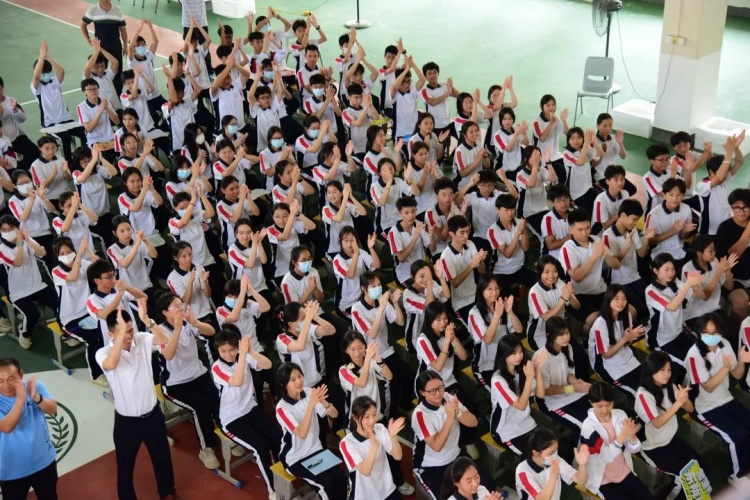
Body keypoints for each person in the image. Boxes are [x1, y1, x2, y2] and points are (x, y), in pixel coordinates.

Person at [96, 307, 179, 500]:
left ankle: (167, 492)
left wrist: (147, 320)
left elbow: (164, 339)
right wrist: (122, 336)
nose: (129, 336)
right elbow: (110, 364)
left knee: (162, 458)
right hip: (127, 423)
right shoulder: (103, 353)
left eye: (130, 330)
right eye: (122, 332)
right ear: (110, 334)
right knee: (125, 465)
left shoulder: (141, 339)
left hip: (153, 416)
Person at [211, 327, 280, 497]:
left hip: (250, 409)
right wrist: (242, 355)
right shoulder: (217, 367)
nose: (228, 354)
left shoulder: (242, 356)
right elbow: (237, 380)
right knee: (260, 446)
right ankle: (273, 490)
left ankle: (282, 479)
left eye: (231, 350)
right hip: (231, 419)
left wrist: (249, 351)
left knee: (277, 437)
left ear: (237, 347)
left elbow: (268, 365)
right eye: (223, 351)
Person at [155, 293, 220, 470]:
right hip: (175, 382)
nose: (181, 309)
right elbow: (169, 354)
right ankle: (206, 449)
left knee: (216, 398)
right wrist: (177, 329)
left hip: (198, 373)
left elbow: (211, 332)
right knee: (200, 406)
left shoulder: (188, 322)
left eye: (181, 305)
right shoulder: (159, 331)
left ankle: (227, 435)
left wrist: (195, 322)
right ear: (165, 312)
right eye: (176, 306)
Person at [685, 312, 750, 480]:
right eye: (707, 332)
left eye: (715, 332)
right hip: (705, 407)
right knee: (737, 436)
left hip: (726, 398)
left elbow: (737, 374)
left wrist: (742, 360)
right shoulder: (694, 355)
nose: (711, 336)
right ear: (700, 333)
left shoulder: (725, 344)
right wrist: (725, 368)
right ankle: (736, 475)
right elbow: (708, 387)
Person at [636, 351, 709, 499]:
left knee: (700, 465)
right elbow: (657, 423)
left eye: (669, 370)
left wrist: (684, 399)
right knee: (685, 478)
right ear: (651, 370)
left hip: (670, 439)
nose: (667, 374)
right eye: (662, 370)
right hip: (653, 446)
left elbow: (690, 409)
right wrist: (678, 403)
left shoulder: (670, 386)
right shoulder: (643, 394)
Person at [412, 370, 494, 499]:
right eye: (432, 391)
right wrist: (450, 418)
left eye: (440, 387)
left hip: (456, 456)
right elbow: (437, 446)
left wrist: (458, 413)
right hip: (432, 465)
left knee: (488, 484)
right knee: (446, 497)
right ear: (422, 392)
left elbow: (473, 422)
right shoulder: (420, 414)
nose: (438, 393)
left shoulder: (448, 397)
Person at [275, 363, 347, 500]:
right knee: (327, 485)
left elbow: (335, 414)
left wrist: (324, 403)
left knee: (341, 478)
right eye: (293, 379)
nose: (299, 381)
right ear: (284, 385)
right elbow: (301, 433)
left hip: (315, 449)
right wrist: (311, 404)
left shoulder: (309, 392)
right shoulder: (282, 408)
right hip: (295, 458)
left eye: (300, 376)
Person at [351, 272, 414, 414]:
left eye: (379, 285)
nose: (378, 288)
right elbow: (372, 333)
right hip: (371, 356)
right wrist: (381, 308)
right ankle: (390, 415)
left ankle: (404, 406)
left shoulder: (381, 301)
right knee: (393, 381)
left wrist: (395, 302)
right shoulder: (357, 309)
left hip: (386, 350)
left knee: (409, 373)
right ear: (363, 289)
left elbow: (400, 322)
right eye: (373, 286)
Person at [579, 382, 654, 499]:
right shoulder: (588, 427)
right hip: (603, 478)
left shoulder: (620, 415)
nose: (605, 410)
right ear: (591, 402)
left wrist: (632, 438)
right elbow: (605, 457)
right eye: (599, 406)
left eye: (608, 405)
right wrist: (622, 436)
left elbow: (633, 449)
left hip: (623, 469)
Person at [0, 358, 59, 500]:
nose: (6, 385)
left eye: (11, 379)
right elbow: (6, 427)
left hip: (44, 462)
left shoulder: (35, 386)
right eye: (0, 381)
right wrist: (21, 400)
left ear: (20, 375)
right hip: (12, 471)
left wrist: (36, 397)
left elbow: (52, 408)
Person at [0, 215, 59, 350]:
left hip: (37, 285)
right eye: (3, 230)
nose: (7, 232)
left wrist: (27, 240)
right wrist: (20, 243)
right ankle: (25, 334)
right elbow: (18, 262)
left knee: (59, 305)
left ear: (17, 228)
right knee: (32, 315)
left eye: (11, 228)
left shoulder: (27, 240)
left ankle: (65, 331)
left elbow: (43, 253)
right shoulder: (2, 250)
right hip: (18, 292)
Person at [52, 236, 104, 385]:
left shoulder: (83, 264)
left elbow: (102, 267)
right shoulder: (56, 271)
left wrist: (89, 252)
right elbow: (73, 277)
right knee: (94, 339)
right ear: (57, 256)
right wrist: (80, 255)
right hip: (69, 318)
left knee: (107, 330)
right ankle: (95, 375)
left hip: (88, 311)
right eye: (62, 253)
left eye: (69, 251)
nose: (66, 255)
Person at [645, 252, 704, 381]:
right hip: (661, 340)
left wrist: (695, 285)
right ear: (655, 271)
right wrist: (688, 284)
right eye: (666, 269)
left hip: (678, 332)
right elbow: (672, 306)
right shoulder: (650, 291)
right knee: (688, 364)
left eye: (672, 269)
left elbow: (701, 296)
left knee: (699, 355)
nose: (671, 273)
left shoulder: (675, 282)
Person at [533, 316, 592, 442]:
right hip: (551, 401)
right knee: (584, 426)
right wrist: (573, 388)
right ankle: (577, 453)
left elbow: (569, 373)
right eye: (561, 334)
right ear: (549, 335)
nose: (566, 337)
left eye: (567, 333)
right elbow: (546, 391)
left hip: (570, 392)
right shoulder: (541, 357)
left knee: (595, 417)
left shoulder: (568, 347)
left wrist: (576, 382)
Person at [561, 208, 615, 337]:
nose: (584, 233)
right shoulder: (567, 249)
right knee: (599, 322)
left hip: (600, 289)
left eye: (587, 228)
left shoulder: (596, 240)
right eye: (580, 230)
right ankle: (581, 333)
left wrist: (607, 256)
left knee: (627, 313)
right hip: (579, 295)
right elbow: (577, 277)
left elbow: (615, 264)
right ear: (570, 230)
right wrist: (595, 256)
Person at [340, 396, 407, 500]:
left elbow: (397, 456)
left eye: (374, 414)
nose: (372, 421)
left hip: (387, 488)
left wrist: (393, 436)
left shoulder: (380, 428)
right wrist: (374, 445)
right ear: (355, 418)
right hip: (364, 495)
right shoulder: (347, 443)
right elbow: (365, 471)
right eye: (366, 417)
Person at [490, 336, 546, 455]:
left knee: (548, 449)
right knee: (535, 456)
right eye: (514, 353)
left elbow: (540, 395)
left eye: (520, 352)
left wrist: (537, 371)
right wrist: (529, 378)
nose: (519, 356)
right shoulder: (497, 380)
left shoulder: (522, 370)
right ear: (503, 355)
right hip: (506, 430)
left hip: (526, 422)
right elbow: (521, 405)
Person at [31, 42, 86, 162]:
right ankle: (69, 163)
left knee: (84, 132)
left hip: (66, 120)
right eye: (43, 73)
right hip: (50, 124)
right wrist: (41, 56)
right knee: (65, 138)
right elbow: (36, 76)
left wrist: (47, 56)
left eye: (47, 73)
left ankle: (84, 157)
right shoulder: (37, 88)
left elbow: (61, 70)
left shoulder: (55, 81)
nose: (46, 75)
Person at [602, 199, 653, 325]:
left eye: (637, 220)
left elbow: (641, 254)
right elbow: (614, 264)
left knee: (653, 301)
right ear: (623, 215)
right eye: (634, 219)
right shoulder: (608, 235)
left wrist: (646, 238)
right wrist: (627, 247)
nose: (635, 223)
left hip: (635, 278)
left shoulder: (632, 230)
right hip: (620, 283)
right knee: (641, 309)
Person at [682, 235, 740, 343]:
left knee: (736, 333)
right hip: (695, 314)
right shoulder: (688, 269)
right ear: (699, 253)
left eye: (714, 250)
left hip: (714, 309)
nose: (714, 253)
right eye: (710, 251)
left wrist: (727, 272)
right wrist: (719, 272)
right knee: (715, 342)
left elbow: (729, 286)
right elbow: (705, 296)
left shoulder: (714, 261)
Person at [589, 285, 644, 397]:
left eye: (624, 299)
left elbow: (627, 344)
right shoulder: (600, 324)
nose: (621, 302)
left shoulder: (626, 315)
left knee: (650, 384)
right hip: (607, 366)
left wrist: (631, 337)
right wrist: (625, 339)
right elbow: (606, 355)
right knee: (639, 393)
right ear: (608, 300)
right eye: (616, 299)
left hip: (626, 358)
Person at [468, 274, 522, 388]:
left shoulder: (501, 305)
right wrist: (497, 316)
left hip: (506, 361)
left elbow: (519, 329)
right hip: (486, 366)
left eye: (497, 288)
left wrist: (510, 312)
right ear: (481, 290)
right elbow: (487, 339)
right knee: (501, 393)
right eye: (490, 289)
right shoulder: (474, 313)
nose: (494, 292)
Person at [515, 427, 589, 500]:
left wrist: (582, 464)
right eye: (551, 453)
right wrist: (553, 474)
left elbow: (580, 480)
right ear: (535, 453)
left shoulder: (555, 459)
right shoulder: (522, 471)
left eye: (556, 450)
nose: (555, 455)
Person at [526, 255, 580, 351]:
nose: (551, 276)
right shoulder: (534, 292)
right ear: (540, 273)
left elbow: (577, 307)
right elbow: (546, 318)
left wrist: (570, 295)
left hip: (559, 331)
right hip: (540, 335)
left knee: (579, 354)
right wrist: (563, 299)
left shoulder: (559, 283)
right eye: (546, 272)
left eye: (554, 271)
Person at [439, 215, 487, 321]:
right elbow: (455, 283)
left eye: (467, 231)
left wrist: (480, 261)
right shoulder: (446, 256)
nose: (466, 236)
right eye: (462, 232)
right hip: (461, 302)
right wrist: (472, 264)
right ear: (452, 234)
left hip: (475, 293)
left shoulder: (470, 244)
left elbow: (482, 271)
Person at [487, 194, 535, 297]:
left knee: (541, 283)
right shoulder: (493, 231)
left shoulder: (519, 223)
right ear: (497, 210)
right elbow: (507, 254)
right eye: (506, 210)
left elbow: (525, 248)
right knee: (505, 300)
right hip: (501, 271)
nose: (510, 213)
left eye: (512, 209)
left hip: (519, 267)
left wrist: (524, 231)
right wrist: (518, 233)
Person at [697, 133, 745, 235]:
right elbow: (719, 177)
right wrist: (729, 153)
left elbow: (739, 162)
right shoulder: (703, 185)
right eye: (724, 171)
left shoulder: (724, 179)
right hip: (709, 231)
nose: (726, 174)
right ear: (711, 172)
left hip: (725, 228)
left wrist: (736, 148)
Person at [645, 178, 696, 270]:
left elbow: (683, 237)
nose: (675, 199)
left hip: (680, 252)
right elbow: (649, 241)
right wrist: (673, 231)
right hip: (659, 254)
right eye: (671, 195)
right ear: (664, 195)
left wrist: (684, 232)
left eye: (679, 195)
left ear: (683, 196)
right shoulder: (653, 214)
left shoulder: (686, 209)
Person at [81, 0, 128, 94]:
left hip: (115, 45)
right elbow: (83, 25)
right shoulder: (92, 10)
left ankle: (117, 94)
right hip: (100, 46)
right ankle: (101, 93)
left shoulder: (117, 11)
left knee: (118, 72)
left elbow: (123, 30)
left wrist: (125, 46)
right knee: (100, 70)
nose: (105, 1)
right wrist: (87, 39)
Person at [403, 261, 450, 354]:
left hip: (434, 330)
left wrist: (441, 277)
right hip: (416, 336)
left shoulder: (430, 282)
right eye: (422, 276)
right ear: (412, 276)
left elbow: (446, 295)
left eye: (428, 275)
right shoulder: (408, 294)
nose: (425, 279)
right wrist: (429, 284)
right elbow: (429, 306)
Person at [716, 188, 750, 317]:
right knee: (741, 303)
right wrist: (748, 230)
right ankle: (737, 328)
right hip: (732, 277)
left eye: (745, 207)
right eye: (737, 208)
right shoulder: (725, 228)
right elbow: (733, 256)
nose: (741, 212)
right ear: (731, 208)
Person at [332, 227, 380, 318]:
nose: (349, 243)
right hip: (346, 304)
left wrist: (371, 248)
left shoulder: (361, 252)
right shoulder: (338, 259)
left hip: (363, 298)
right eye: (346, 240)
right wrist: (356, 254)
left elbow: (377, 265)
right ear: (340, 241)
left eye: (352, 240)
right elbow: (350, 275)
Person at [387, 197, 434, 286]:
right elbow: (401, 258)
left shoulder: (418, 224)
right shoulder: (393, 233)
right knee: (421, 289)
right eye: (406, 213)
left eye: (413, 211)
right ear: (400, 213)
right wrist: (414, 239)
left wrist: (431, 235)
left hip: (421, 270)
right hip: (404, 275)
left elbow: (432, 248)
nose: (411, 216)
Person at [562, 127, 603, 216]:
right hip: (575, 193)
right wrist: (586, 143)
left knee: (601, 208)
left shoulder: (584, 148)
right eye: (572, 138)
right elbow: (580, 162)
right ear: (568, 140)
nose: (576, 141)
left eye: (579, 138)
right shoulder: (567, 154)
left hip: (588, 187)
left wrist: (594, 141)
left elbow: (600, 154)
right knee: (588, 214)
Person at [592, 113, 635, 196]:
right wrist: (601, 153)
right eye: (605, 126)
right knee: (616, 194)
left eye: (610, 125)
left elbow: (623, 156)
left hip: (614, 174)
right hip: (602, 176)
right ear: (597, 125)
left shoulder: (613, 138)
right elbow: (592, 165)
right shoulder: (594, 140)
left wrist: (621, 143)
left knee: (632, 190)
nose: (608, 128)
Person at [0, 77, 38, 169]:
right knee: (7, 163)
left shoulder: (11, 100)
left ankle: (21, 169)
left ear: (3, 88)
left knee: (35, 152)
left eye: (0, 89)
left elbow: (23, 119)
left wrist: (15, 110)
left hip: (17, 138)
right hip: (2, 141)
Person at [531, 95, 570, 184]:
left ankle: (564, 190)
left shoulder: (556, 119)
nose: (551, 107)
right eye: (547, 105)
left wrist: (564, 121)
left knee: (568, 169)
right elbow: (542, 138)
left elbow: (567, 133)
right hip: (542, 157)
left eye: (553, 105)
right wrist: (551, 123)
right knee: (561, 173)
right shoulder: (537, 122)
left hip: (555, 154)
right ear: (541, 106)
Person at [592, 164, 629, 235]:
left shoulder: (625, 194)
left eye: (622, 179)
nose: (620, 183)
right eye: (616, 180)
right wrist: (620, 214)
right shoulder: (600, 200)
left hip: (617, 229)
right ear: (607, 182)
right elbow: (605, 226)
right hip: (602, 234)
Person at [540, 184, 571, 261]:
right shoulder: (548, 219)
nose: (563, 203)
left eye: (566, 199)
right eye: (559, 200)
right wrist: (572, 237)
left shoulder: (573, 214)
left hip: (571, 253)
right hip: (554, 258)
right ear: (552, 202)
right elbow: (551, 245)